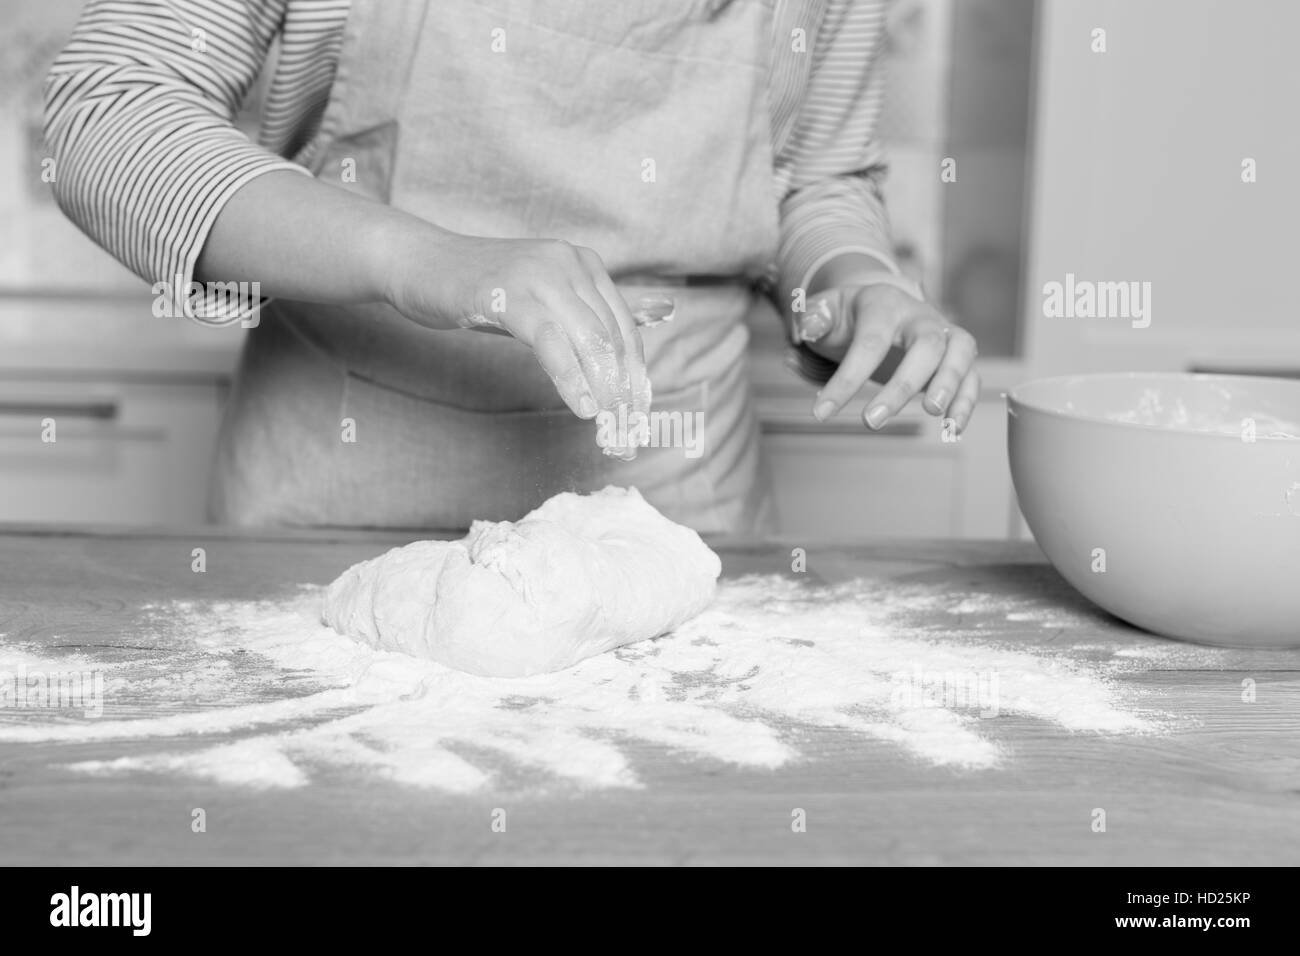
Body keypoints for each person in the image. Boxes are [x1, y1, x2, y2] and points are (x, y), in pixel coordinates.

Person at [44, 0, 980, 535]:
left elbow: (814, 178)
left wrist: (856, 281)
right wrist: (425, 259)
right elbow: (108, 109)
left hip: (676, 503)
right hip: (339, 494)